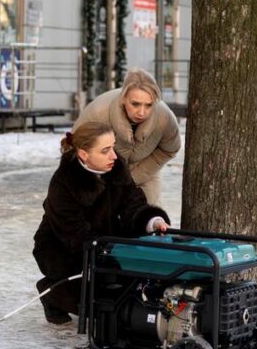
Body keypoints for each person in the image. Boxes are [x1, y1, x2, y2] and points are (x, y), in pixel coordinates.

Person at [32, 122, 171, 325]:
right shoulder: (63, 182)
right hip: (61, 248)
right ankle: (50, 293)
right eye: (105, 150)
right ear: (84, 154)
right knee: (94, 306)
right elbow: (73, 232)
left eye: (113, 147)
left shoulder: (117, 167)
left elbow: (133, 203)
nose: (114, 156)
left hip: (104, 236)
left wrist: (153, 221)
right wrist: (107, 250)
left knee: (122, 295)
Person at [72, 67, 181, 205]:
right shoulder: (99, 112)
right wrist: (95, 179)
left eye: (148, 105)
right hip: (100, 174)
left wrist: (134, 177)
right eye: (135, 104)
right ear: (123, 98)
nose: (141, 112)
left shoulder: (164, 119)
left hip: (144, 173)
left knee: (149, 218)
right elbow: (73, 146)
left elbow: (169, 149)